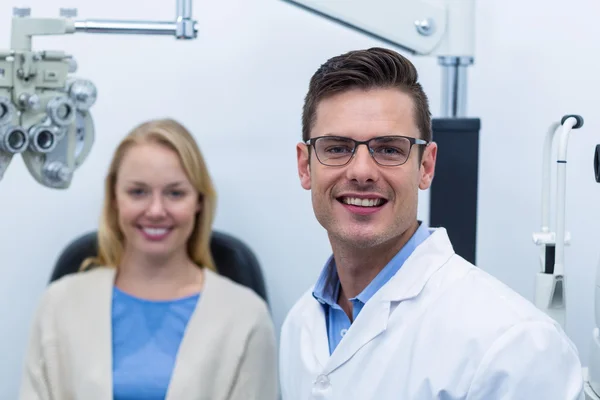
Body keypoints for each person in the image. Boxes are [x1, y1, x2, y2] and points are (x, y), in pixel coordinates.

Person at [279, 47, 584, 399]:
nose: (361, 171)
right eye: (336, 148)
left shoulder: (514, 345)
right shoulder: (299, 325)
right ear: (305, 166)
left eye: (389, 149)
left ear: (426, 167)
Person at [19, 118, 278, 400]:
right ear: (115, 198)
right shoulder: (59, 303)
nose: (155, 210)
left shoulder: (247, 316)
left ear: (199, 202)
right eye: (138, 192)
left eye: (175, 193)